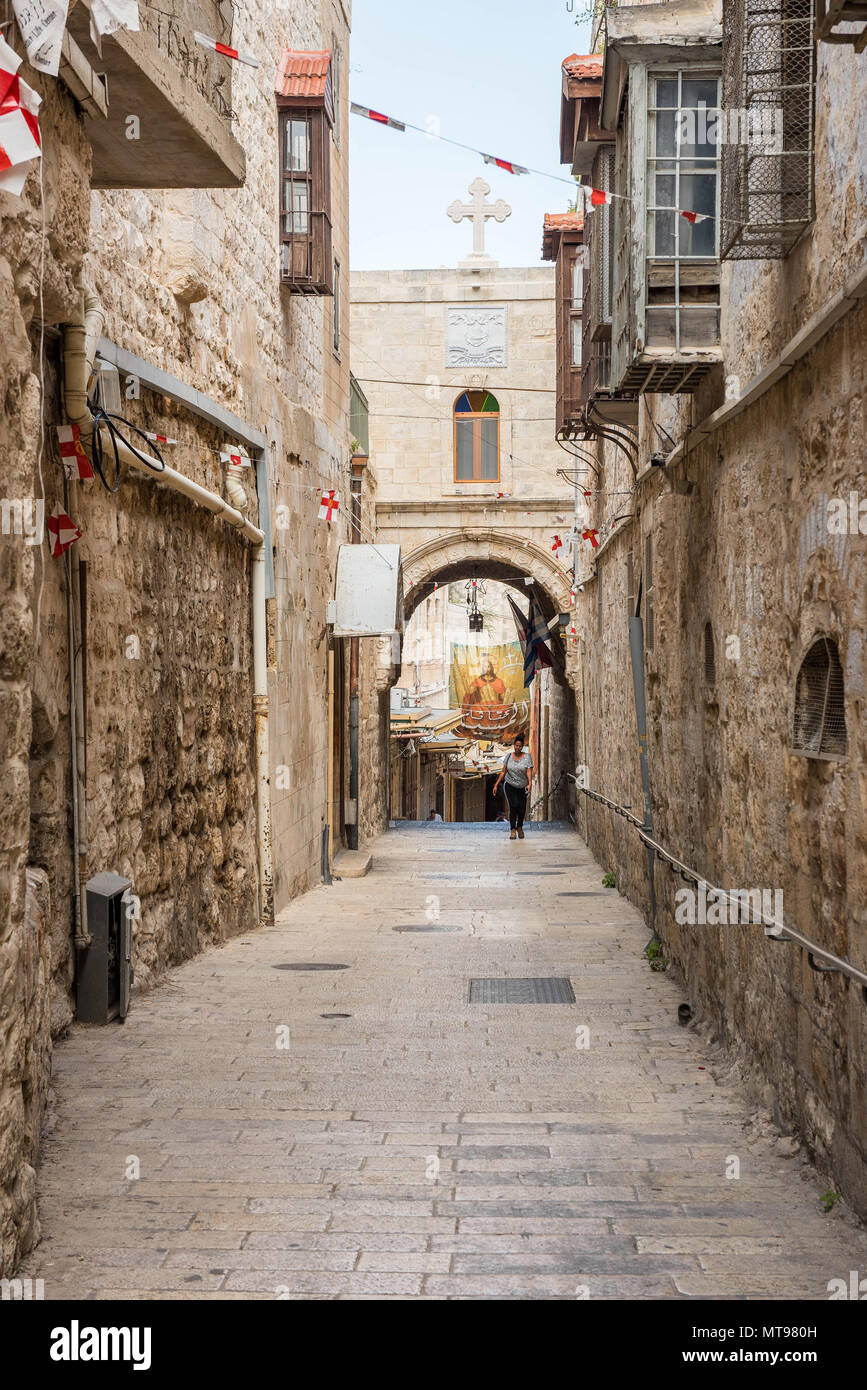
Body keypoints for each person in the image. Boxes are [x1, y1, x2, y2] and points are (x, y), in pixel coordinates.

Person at [492, 734, 533, 840]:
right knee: (513, 805)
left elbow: (529, 771)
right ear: (514, 745)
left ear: (522, 746)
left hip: (522, 787)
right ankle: (513, 830)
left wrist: (530, 783)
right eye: (516, 745)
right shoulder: (509, 756)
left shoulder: (527, 757)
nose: (518, 748)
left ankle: (520, 827)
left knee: (522, 808)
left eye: (520, 746)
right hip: (510, 786)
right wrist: (496, 784)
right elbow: (503, 771)